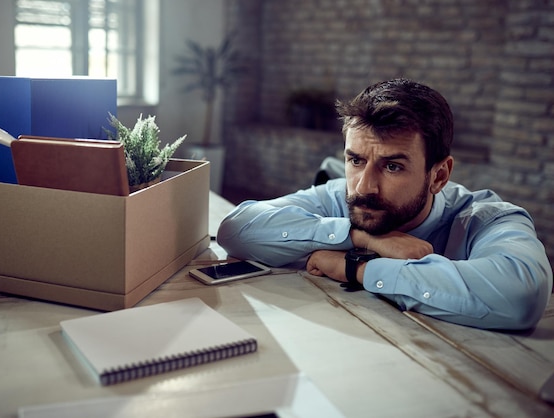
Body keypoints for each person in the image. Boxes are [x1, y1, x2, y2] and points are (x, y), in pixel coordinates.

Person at [217, 78, 552, 331]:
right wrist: (362, 238)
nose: (364, 186)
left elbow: (521, 295)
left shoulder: (487, 218)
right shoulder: (340, 197)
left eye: (393, 166)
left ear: (438, 176)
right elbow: (236, 229)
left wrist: (356, 269)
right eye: (356, 161)